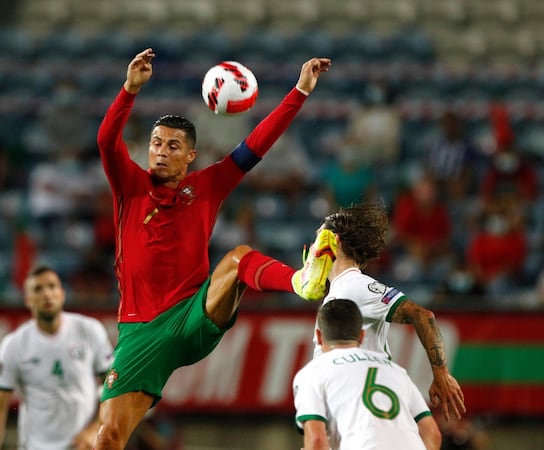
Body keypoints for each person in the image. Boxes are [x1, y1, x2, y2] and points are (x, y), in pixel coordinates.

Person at [94, 48, 335, 449]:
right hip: (140, 330)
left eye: (172, 146)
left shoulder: (206, 186)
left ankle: (303, 281)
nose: (161, 151)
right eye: (156, 143)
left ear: (190, 157)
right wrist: (129, 90)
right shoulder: (130, 187)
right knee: (108, 438)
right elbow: (106, 141)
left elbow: (256, 145)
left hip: (193, 313)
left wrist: (300, 91)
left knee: (239, 257)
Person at [311, 202, 466, 421]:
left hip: (364, 410)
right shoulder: (338, 290)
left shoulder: (356, 285)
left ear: (334, 241)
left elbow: (422, 314)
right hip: (346, 409)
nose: (313, 248)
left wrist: (441, 374)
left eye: (318, 237)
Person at [0, 265, 114, 450]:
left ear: (62, 293)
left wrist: (95, 429)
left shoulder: (89, 330)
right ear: (28, 300)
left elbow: (112, 387)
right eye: (38, 289)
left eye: (52, 286)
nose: (47, 294)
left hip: (83, 445)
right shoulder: (14, 345)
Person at [293, 299, 442, 450]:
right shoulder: (396, 371)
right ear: (361, 336)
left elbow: (316, 440)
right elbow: (432, 432)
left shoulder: (313, 373)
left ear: (318, 336)